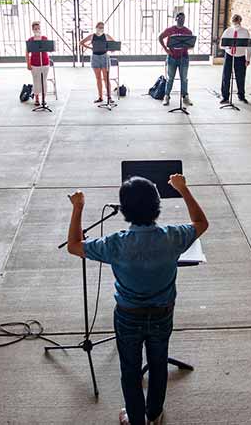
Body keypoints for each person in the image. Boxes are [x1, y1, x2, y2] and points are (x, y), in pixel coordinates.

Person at [66, 174, 209, 425]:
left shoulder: (115, 244)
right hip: (162, 314)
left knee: (130, 371)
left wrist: (78, 207)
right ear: (157, 206)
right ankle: (154, 414)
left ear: (124, 210)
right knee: (158, 365)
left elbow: (75, 245)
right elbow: (201, 222)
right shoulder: (173, 236)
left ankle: (135, 419)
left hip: (128, 316)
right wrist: (183, 189)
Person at [158, 12, 194, 107]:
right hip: (172, 57)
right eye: (180, 18)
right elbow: (160, 37)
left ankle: (185, 96)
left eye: (183, 18)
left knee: (184, 79)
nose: (182, 20)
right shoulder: (170, 30)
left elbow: (191, 45)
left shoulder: (188, 31)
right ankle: (166, 96)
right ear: (176, 19)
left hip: (184, 57)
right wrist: (166, 49)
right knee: (170, 78)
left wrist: (188, 45)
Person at [219, 14, 251, 104]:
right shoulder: (228, 31)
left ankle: (241, 95)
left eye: (237, 20)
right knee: (226, 76)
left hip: (240, 56)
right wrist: (227, 48)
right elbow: (221, 45)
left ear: (240, 21)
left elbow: (249, 47)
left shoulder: (245, 32)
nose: (236, 22)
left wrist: (248, 59)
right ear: (232, 21)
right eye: (234, 20)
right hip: (229, 55)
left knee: (240, 77)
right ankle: (225, 96)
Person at [80, 22, 116, 104]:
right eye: (99, 27)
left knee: (106, 78)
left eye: (102, 27)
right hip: (95, 57)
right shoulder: (92, 36)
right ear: (96, 27)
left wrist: (111, 49)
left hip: (104, 57)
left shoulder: (106, 36)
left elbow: (114, 44)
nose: (101, 29)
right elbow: (81, 42)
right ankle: (100, 97)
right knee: (98, 78)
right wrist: (90, 47)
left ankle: (109, 97)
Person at [26, 21, 50, 107]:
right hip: (34, 63)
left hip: (44, 62)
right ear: (32, 29)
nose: (37, 30)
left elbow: (48, 48)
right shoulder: (30, 40)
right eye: (35, 28)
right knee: (36, 81)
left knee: (43, 81)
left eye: (38, 28)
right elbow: (27, 53)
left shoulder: (44, 38)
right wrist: (28, 64)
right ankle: (36, 99)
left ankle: (43, 99)